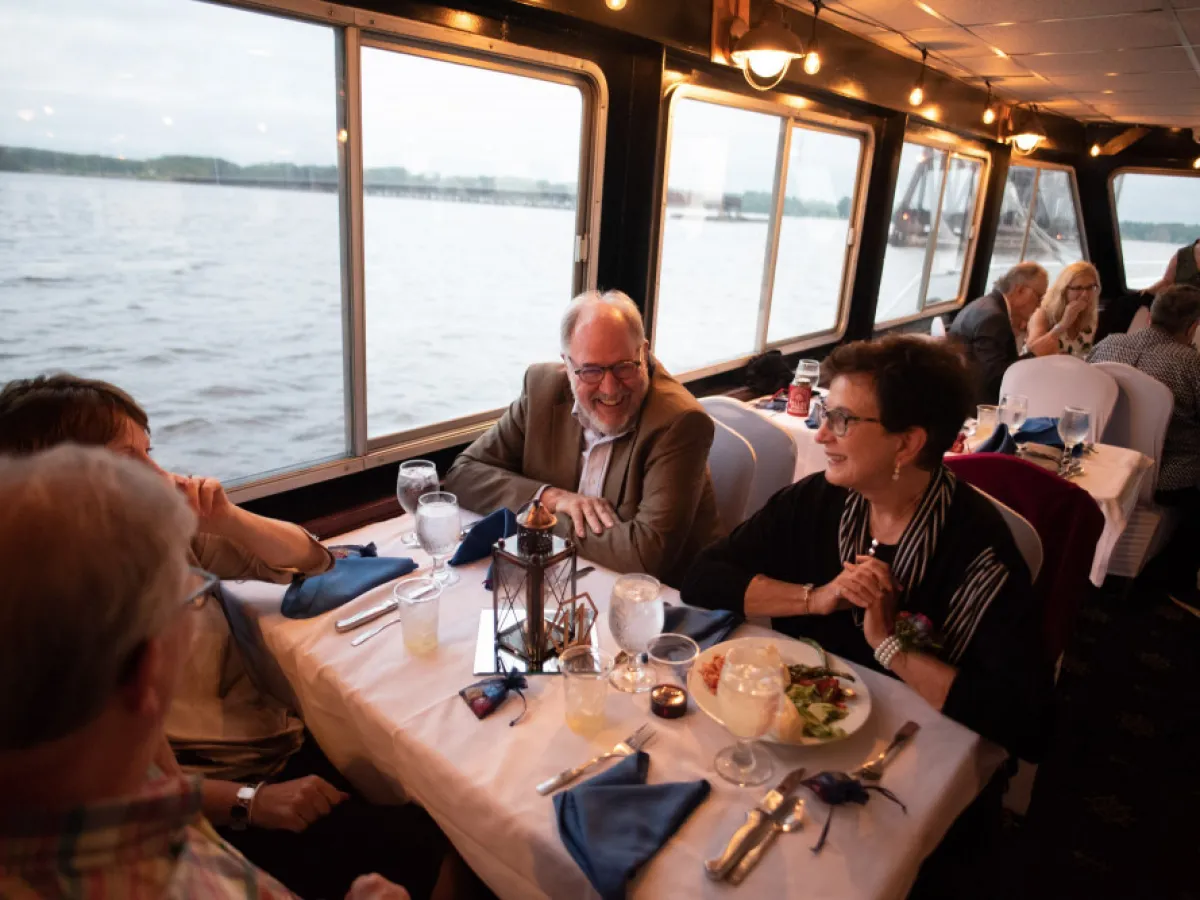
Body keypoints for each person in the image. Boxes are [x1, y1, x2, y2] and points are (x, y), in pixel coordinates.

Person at [0, 375, 449, 900]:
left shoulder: (158, 534)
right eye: (128, 464)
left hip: (270, 745)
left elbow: (312, 558)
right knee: (432, 841)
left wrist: (226, 517)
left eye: (152, 454)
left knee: (423, 791)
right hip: (233, 790)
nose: (161, 478)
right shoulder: (66, 627)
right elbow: (147, 781)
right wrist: (249, 801)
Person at [681, 335, 1052, 761]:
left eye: (842, 420)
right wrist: (814, 598)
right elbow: (703, 579)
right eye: (825, 414)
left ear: (907, 443)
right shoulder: (817, 501)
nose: (820, 435)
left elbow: (1026, 721)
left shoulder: (980, 555)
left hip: (910, 756)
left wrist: (891, 645)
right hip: (793, 737)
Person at [444, 289, 721, 586]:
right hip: (564, 577)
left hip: (662, 603)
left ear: (643, 351)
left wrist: (537, 521)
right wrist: (551, 498)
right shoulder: (541, 389)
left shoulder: (680, 422)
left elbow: (644, 556)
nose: (610, 388)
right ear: (567, 364)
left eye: (624, 367)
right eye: (590, 371)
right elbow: (462, 474)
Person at [1088, 284, 1200, 608]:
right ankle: (1178, 580)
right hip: (1166, 477)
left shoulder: (1109, 344)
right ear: (1193, 327)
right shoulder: (1189, 364)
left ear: (1149, 317)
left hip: (1102, 466)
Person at [948, 262, 1048, 405]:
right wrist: (1034, 355)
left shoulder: (984, 305)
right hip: (976, 407)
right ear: (1020, 291)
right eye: (1039, 297)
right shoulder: (994, 318)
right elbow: (994, 379)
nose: (1039, 305)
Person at [1025, 261, 1101, 359]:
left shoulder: (1091, 316)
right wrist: (1063, 325)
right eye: (1078, 288)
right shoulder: (1043, 314)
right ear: (1064, 291)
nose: (1085, 294)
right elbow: (1032, 354)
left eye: (1090, 287)